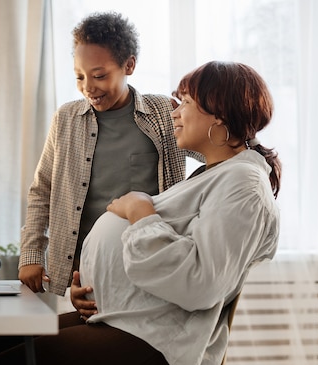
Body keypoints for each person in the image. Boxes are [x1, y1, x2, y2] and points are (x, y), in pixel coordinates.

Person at [0, 60, 281, 365]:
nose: (175, 113)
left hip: (158, 345)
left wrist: (141, 213)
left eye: (185, 103)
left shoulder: (243, 185)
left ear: (218, 116)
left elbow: (200, 284)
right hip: (128, 319)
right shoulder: (215, 174)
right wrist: (95, 287)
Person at [19, 11, 200, 296]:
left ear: (129, 65)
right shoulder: (65, 119)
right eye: (79, 76)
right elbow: (42, 190)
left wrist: (247, 147)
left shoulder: (165, 112)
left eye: (99, 75)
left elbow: (216, 152)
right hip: (76, 273)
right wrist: (31, 255)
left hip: (142, 272)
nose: (88, 87)